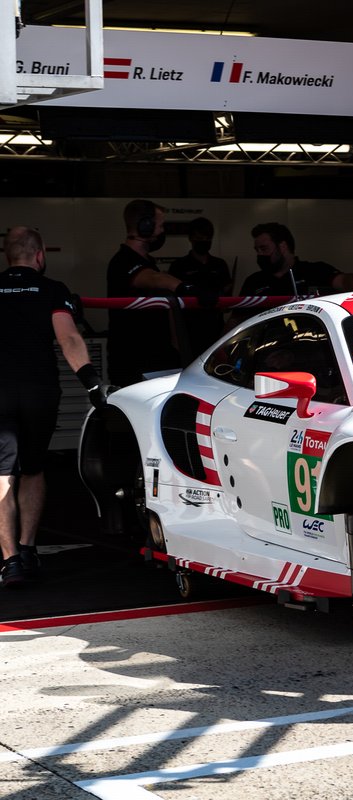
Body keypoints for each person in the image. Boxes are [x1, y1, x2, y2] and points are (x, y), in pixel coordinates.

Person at [1, 227, 106, 587]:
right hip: (39, 391)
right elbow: (69, 338)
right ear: (40, 255)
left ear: (7, 256)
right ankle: (28, 550)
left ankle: (10, 560)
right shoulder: (52, 290)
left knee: (1, 474)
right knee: (32, 468)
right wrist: (92, 382)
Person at [107, 199, 210, 386]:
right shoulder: (123, 261)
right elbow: (152, 278)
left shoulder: (148, 261)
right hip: (133, 362)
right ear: (145, 226)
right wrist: (186, 288)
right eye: (160, 225)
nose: (162, 231)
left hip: (158, 359)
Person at [241, 222, 353, 297]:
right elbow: (236, 320)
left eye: (264, 249)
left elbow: (344, 280)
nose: (259, 254)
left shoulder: (314, 271)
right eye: (257, 250)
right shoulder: (253, 282)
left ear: (283, 246)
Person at [169, 217, 232, 356]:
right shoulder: (179, 266)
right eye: (199, 237)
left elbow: (227, 299)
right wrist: (175, 339)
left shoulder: (219, 265)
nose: (204, 241)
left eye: (207, 238)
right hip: (188, 331)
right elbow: (172, 305)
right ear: (191, 238)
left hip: (216, 330)